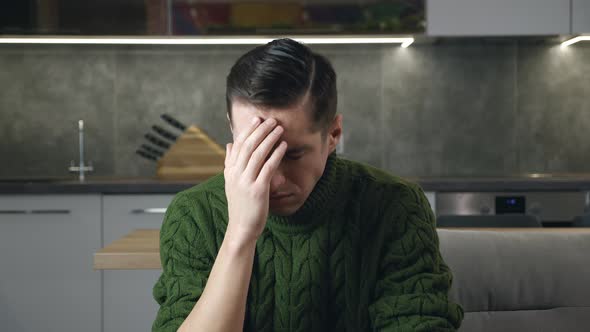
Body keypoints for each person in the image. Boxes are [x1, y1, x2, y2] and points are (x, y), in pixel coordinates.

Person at [152, 38, 464, 332]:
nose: (274, 179)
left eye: (293, 154)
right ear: (232, 131)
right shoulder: (193, 214)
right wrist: (240, 235)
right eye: (256, 149)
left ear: (334, 134)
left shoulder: (396, 206)